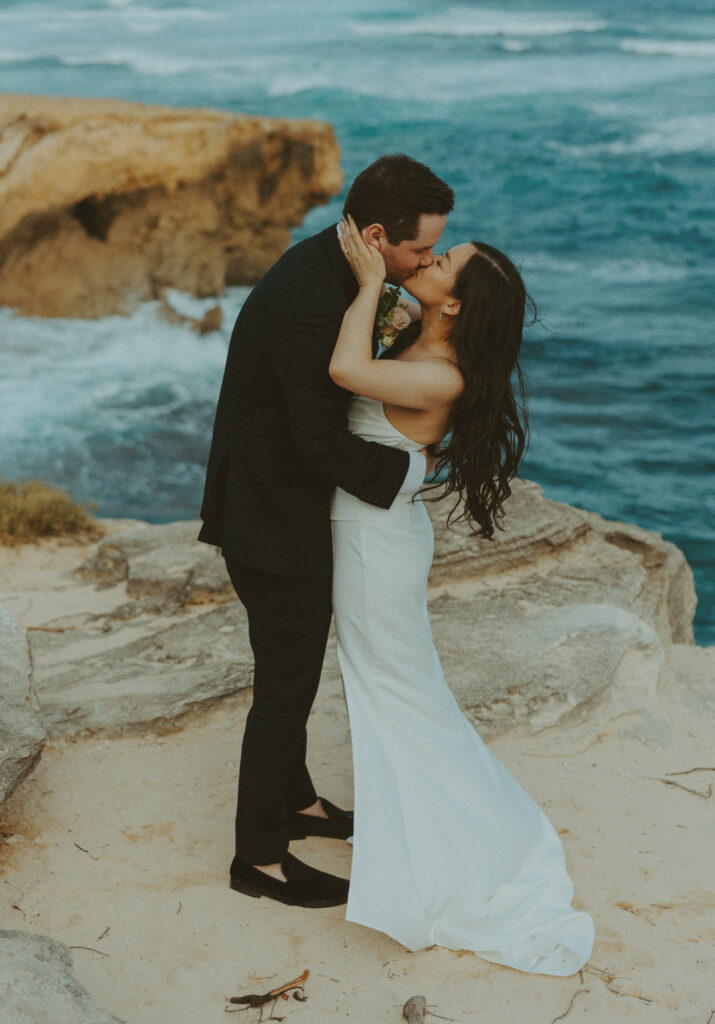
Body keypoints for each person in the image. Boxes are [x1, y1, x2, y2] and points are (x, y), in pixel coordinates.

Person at [326, 216, 595, 975]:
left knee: (399, 698)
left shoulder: (441, 376)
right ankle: (416, 830)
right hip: (373, 537)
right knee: (399, 694)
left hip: (375, 552)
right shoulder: (425, 335)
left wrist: (373, 280)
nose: (430, 259)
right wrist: (389, 296)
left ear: (454, 306)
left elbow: (346, 371)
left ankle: (455, 853)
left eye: (443, 261)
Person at [198, 155, 454, 908]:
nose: (428, 260)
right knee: (284, 688)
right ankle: (259, 858)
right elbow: (319, 444)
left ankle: (301, 802)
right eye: (417, 250)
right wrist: (413, 477)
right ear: (375, 236)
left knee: (295, 677)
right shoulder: (317, 300)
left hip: (272, 503)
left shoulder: (330, 264)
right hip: (273, 522)